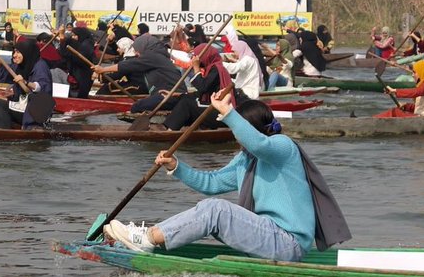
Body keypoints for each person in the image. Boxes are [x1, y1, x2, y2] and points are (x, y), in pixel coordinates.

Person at [104, 94, 349, 261]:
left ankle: (147, 239)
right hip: (269, 237)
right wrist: (177, 166)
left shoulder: (282, 147)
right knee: (210, 207)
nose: (235, 137)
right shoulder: (245, 159)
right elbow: (212, 183)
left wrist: (229, 113)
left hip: (288, 243)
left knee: (216, 210)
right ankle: (152, 237)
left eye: (237, 130)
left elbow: (260, 144)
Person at [0, 39, 54, 129]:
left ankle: (3, 134)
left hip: (35, 113)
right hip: (22, 106)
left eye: (18, 52)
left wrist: (26, 82)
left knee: (0, 104)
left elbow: (41, 86)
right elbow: (1, 72)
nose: (14, 55)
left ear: (26, 52)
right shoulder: (19, 66)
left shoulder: (40, 66)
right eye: (14, 52)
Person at [163, 43, 234, 130]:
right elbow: (203, 91)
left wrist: (196, 68)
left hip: (221, 111)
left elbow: (203, 87)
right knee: (185, 98)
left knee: (187, 103)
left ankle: (170, 130)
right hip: (214, 105)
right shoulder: (212, 68)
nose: (196, 59)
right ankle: (170, 126)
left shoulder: (216, 69)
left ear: (206, 56)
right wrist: (179, 94)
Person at [94, 34, 180, 97]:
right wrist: (111, 41)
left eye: (119, 48)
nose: (117, 50)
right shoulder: (133, 56)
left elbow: (120, 70)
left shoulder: (136, 58)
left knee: (108, 88)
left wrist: (101, 74)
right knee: (112, 85)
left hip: (139, 86)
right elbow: (117, 54)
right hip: (147, 84)